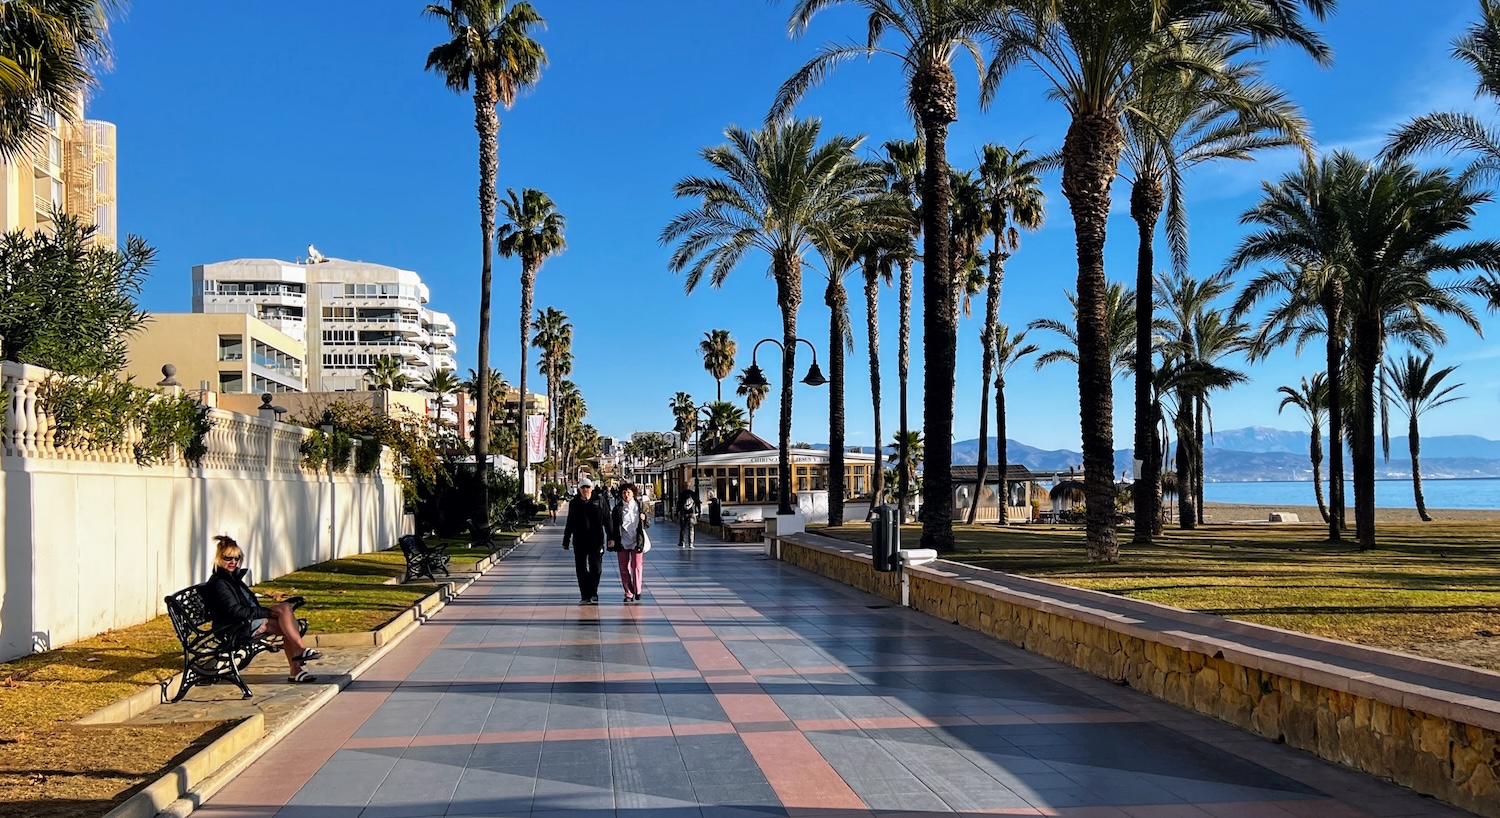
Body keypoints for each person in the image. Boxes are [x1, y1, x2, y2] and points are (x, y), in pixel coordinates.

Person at [203, 535, 321, 684]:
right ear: (219, 558)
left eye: (237, 558)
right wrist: (266, 613)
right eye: (228, 558)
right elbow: (235, 611)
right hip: (234, 627)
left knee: (285, 612)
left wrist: (265, 613)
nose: (233, 562)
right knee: (288, 624)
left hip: (246, 621)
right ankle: (298, 661)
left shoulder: (231, 579)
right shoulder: (220, 583)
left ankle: (299, 656)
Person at [561, 477, 609, 604]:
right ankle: (585, 595)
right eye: (583, 488)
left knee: (596, 569)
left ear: (592, 488)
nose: (585, 490)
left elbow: (607, 519)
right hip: (580, 541)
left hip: (596, 540)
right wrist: (566, 538)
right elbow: (570, 521)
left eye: (587, 487)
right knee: (581, 569)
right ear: (579, 490)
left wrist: (612, 537)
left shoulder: (600, 500)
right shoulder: (575, 503)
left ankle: (593, 591)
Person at [609, 482, 652, 603]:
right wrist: (612, 539)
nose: (626, 495)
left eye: (628, 492)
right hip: (622, 541)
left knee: (637, 567)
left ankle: (637, 590)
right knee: (623, 568)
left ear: (633, 494)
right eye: (624, 492)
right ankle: (628, 593)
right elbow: (613, 526)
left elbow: (648, 524)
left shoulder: (640, 507)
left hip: (637, 541)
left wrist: (644, 519)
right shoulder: (618, 509)